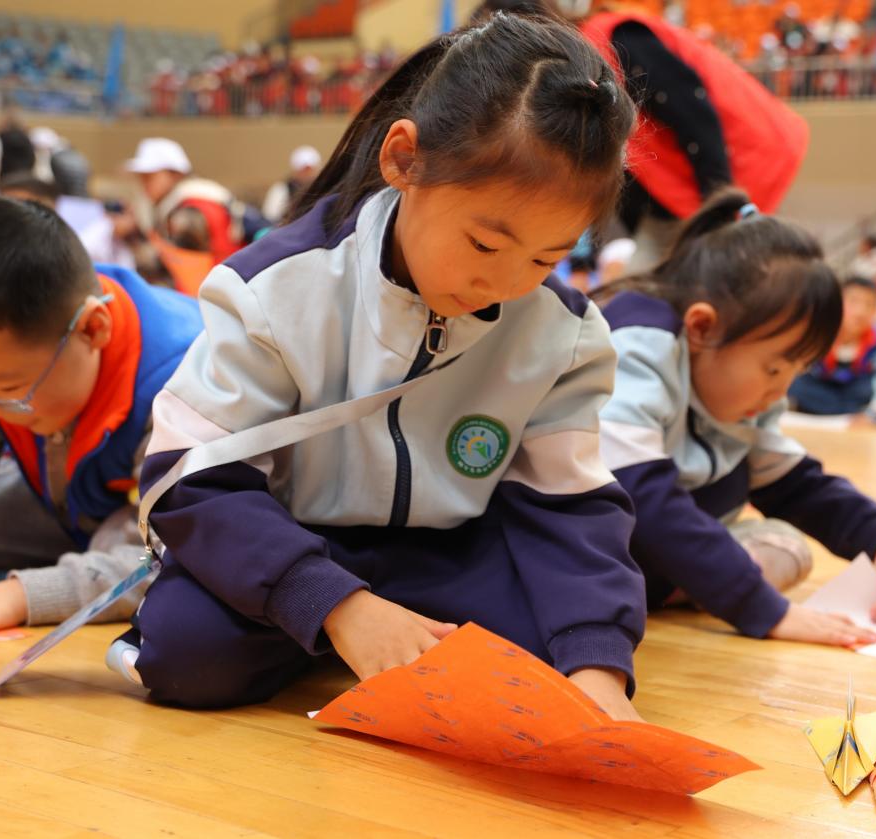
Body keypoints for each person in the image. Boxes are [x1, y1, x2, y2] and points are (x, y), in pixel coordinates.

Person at [111, 14, 648, 715]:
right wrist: (338, 605)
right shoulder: (274, 287)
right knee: (186, 651)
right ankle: (337, 632)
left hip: (449, 555)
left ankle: (368, 639)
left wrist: (598, 670)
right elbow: (189, 477)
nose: (508, 283)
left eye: (547, 257)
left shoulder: (563, 332)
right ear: (404, 159)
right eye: (486, 244)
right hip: (297, 542)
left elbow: (569, 507)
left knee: (565, 643)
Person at [595, 190, 876, 649]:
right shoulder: (639, 342)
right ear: (702, 327)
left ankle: (687, 579)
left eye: (796, 371)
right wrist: (762, 607)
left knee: (789, 547)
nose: (781, 391)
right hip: (583, 553)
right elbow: (639, 494)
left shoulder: (741, 398)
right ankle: (689, 581)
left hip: (648, 560)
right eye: (773, 368)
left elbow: (799, 485)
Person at [0, 195, 202, 638]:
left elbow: (174, 546)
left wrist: (22, 595)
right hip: (71, 508)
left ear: (94, 329)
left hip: (167, 515)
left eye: (9, 391)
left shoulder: (183, 379)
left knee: (161, 577)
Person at [473, 0, 808, 274]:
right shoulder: (578, 76)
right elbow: (626, 172)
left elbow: (692, 111)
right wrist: (588, 257)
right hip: (680, 194)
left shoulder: (615, 38)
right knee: (638, 286)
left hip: (739, 162)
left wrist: (719, 205)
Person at [789, 277, 876, 423]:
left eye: (869, 305)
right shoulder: (818, 334)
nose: (860, 312)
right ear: (837, 303)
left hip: (857, 411)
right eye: (853, 301)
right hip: (813, 407)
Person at [124, 137, 247, 264]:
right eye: (141, 178)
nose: (144, 184)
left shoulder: (189, 208)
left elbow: (176, 261)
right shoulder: (194, 196)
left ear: (175, 174)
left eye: (149, 177)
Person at [262, 145, 323, 223]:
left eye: (310, 170)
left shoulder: (323, 189)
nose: (307, 174)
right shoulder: (281, 190)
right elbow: (270, 217)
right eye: (304, 170)